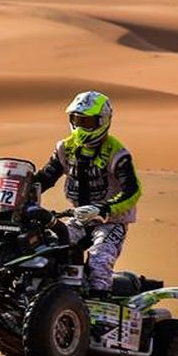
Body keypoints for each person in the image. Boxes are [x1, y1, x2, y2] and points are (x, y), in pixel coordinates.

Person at [34, 91, 142, 293]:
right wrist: (18, 189)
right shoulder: (65, 148)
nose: (81, 126)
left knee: (99, 261)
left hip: (111, 222)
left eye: (88, 122)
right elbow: (45, 178)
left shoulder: (117, 153)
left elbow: (132, 191)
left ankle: (99, 307)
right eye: (77, 120)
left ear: (103, 121)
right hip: (79, 218)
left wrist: (103, 210)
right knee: (48, 249)